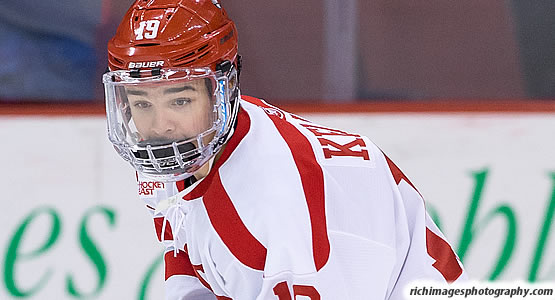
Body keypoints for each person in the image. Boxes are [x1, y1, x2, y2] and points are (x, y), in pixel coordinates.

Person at [103, 0, 466, 299]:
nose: (160, 124)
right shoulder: (178, 155)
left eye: (179, 100)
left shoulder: (279, 202)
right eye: (141, 103)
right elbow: (186, 257)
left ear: (221, 92)